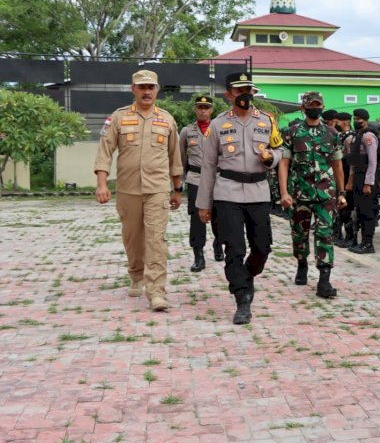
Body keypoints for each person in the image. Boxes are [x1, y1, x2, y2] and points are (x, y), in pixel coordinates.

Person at [196, 73, 283, 324]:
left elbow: (280, 149)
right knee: (233, 247)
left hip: (258, 191)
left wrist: (272, 158)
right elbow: (209, 165)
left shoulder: (267, 121)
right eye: (239, 90)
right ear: (228, 95)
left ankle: (247, 276)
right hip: (227, 191)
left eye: (249, 89)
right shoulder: (217, 124)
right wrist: (204, 204)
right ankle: (242, 297)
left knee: (262, 246)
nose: (245, 94)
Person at [94, 70, 182, 312]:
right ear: (133, 89)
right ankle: (136, 274)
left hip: (158, 189)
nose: (146, 91)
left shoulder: (167, 120)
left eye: (151, 87)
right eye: (141, 87)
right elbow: (105, 151)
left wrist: (177, 189)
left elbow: (175, 157)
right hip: (128, 189)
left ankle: (156, 292)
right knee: (133, 237)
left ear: (157, 89)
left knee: (156, 239)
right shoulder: (118, 118)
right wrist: (102, 183)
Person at [278, 91, 347, 298]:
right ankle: (301, 264)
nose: (315, 108)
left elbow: (337, 164)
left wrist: (342, 193)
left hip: (326, 195)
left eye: (318, 105)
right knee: (300, 234)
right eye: (311, 105)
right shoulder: (291, 133)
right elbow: (284, 163)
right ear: (303, 108)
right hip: (300, 193)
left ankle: (324, 280)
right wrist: (283, 192)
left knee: (325, 234)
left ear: (322, 108)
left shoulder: (332, 134)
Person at [179, 95, 223, 272]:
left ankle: (218, 244)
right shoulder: (187, 131)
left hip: (218, 179)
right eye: (200, 107)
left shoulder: (220, 129)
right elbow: (181, 158)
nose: (203, 110)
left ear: (212, 110)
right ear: (195, 109)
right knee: (197, 219)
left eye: (206, 107)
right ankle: (198, 255)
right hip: (196, 179)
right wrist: (180, 181)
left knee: (220, 216)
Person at [347, 108, 380, 254]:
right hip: (358, 177)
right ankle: (362, 242)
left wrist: (368, 183)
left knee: (367, 212)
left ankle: (368, 243)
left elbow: (373, 161)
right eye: (354, 118)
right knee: (360, 211)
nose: (356, 121)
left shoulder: (368, 136)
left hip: (367, 178)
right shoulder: (358, 135)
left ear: (366, 120)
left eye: (359, 119)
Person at [333, 112, 357, 248]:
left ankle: (350, 236)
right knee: (340, 208)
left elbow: (350, 161)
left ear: (345, 122)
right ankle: (340, 234)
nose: (336, 124)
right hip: (339, 175)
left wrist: (349, 181)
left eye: (338, 122)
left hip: (347, 175)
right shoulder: (340, 136)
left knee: (347, 207)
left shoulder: (350, 137)